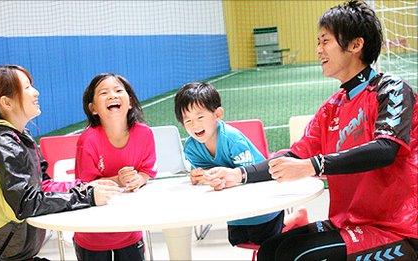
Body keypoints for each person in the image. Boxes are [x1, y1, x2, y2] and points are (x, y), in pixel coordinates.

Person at [205, 1, 418, 260]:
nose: (318, 50)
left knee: (296, 255)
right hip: (350, 222)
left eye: (325, 41)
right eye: (318, 42)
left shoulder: (392, 89)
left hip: (398, 228)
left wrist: (314, 165)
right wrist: (238, 174)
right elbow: (295, 156)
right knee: (271, 249)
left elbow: (386, 149)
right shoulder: (332, 107)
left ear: (355, 44)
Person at [0, 65, 122, 261]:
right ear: (7, 103)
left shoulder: (20, 137)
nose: (36, 92)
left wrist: (84, 187)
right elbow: (26, 203)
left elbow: (44, 185)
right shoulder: (2, 143)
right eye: (27, 87)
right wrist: (87, 197)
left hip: (10, 255)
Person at [174, 82, 284, 246]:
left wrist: (218, 179)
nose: (195, 125)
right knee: (237, 241)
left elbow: (248, 176)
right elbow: (205, 172)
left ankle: (292, 220)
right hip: (234, 211)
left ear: (217, 114)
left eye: (200, 117)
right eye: (187, 121)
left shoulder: (232, 139)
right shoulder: (191, 147)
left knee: (265, 246)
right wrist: (200, 177)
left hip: (264, 205)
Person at [73, 73, 157, 261]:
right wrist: (118, 180)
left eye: (119, 90)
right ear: (93, 108)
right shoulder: (87, 140)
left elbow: (147, 171)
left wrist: (139, 179)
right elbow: (84, 185)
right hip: (93, 233)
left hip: (129, 229)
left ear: (130, 102)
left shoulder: (144, 134)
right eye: (104, 93)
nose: (112, 95)